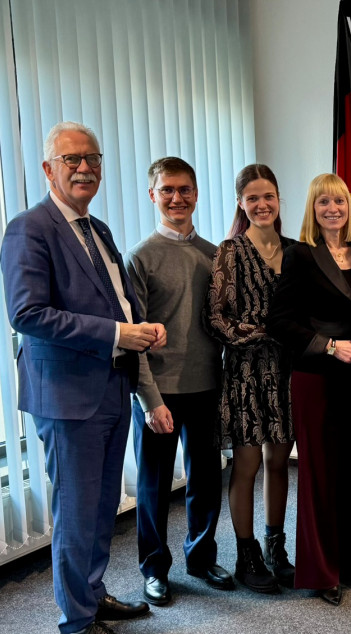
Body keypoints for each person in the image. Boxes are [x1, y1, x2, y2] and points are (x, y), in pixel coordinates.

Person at [0, 121, 166, 634]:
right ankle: (76, 625)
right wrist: (119, 333)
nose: (83, 168)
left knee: (100, 508)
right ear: (49, 169)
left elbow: (115, 300)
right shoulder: (30, 228)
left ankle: (91, 596)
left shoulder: (99, 230)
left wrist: (142, 325)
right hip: (68, 396)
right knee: (76, 511)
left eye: (91, 158)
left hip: (113, 387)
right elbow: (28, 314)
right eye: (71, 159)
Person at [125, 157, 231, 607]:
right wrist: (150, 400)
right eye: (167, 190)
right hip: (159, 392)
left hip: (207, 385)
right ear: (153, 195)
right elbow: (133, 338)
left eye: (185, 189)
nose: (176, 198)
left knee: (207, 479)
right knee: (153, 486)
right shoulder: (140, 258)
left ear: (196, 194)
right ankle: (154, 568)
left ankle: (201, 557)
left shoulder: (215, 255)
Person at [266, 173, 351, 606]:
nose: (333, 209)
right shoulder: (300, 256)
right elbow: (279, 322)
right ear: (313, 209)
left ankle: (345, 561)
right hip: (316, 374)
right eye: (323, 202)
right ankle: (320, 571)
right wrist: (330, 346)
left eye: (340, 202)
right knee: (319, 474)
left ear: (349, 208)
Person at [206, 164, 298, 594]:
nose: (262, 205)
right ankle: (247, 555)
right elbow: (216, 318)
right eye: (253, 198)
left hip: (289, 371)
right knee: (248, 463)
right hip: (246, 370)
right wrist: (261, 333)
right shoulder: (230, 250)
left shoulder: (297, 250)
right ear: (241, 203)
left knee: (280, 461)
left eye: (269, 196)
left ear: (279, 200)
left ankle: (276, 547)